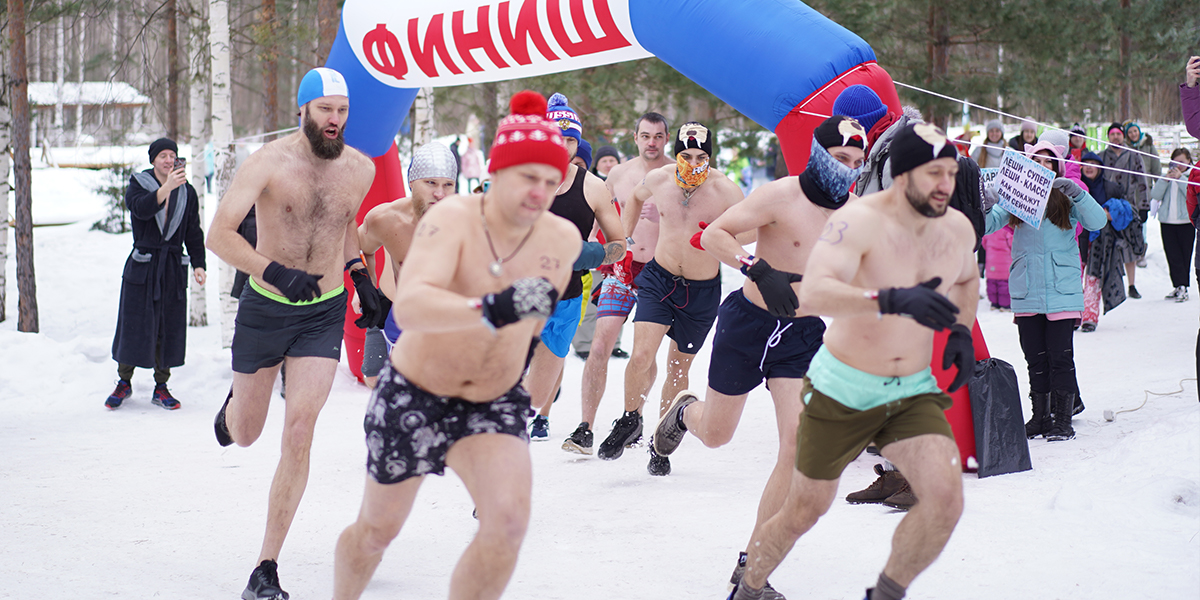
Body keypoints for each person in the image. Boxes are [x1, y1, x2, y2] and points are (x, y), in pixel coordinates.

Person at [332, 90, 579, 600]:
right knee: (377, 531)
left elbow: (531, 330)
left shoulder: (562, 240)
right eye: (526, 177)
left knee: (508, 524)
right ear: (496, 172)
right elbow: (413, 306)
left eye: (551, 181)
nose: (539, 192)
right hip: (417, 393)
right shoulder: (453, 219)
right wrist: (490, 308)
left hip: (491, 402)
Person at [731, 123, 979, 600]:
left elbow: (967, 277)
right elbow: (819, 291)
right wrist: (892, 299)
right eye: (934, 173)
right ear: (902, 175)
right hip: (841, 389)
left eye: (951, 171)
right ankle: (749, 587)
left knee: (946, 499)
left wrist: (962, 330)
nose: (946, 183)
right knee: (805, 510)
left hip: (909, 390)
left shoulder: (956, 227)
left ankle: (885, 593)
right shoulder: (858, 220)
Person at [653, 116, 867, 594]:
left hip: (802, 336)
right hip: (748, 324)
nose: (847, 168)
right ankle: (686, 413)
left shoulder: (856, 213)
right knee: (717, 435)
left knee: (795, 447)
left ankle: (754, 566)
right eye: (840, 157)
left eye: (856, 161)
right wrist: (758, 267)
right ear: (818, 152)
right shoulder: (781, 194)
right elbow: (713, 236)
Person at [205, 67, 384, 600]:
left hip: (322, 312)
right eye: (325, 109)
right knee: (248, 433)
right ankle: (235, 408)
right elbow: (219, 234)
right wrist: (273, 271)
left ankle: (265, 568)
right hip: (266, 305)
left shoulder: (360, 168)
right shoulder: (266, 164)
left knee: (300, 430)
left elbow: (345, 224)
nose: (335, 120)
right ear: (302, 110)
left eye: (342, 111)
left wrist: (359, 278)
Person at [599, 121, 744, 476]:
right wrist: (625, 241)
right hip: (659, 279)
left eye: (700, 157)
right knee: (642, 354)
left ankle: (660, 442)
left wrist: (715, 236)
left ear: (710, 157)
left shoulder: (725, 189)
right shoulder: (661, 179)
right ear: (675, 153)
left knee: (678, 368)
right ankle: (630, 418)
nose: (692, 163)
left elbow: (753, 228)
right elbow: (632, 197)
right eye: (685, 155)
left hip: (701, 290)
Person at [563, 112, 671, 455]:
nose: (651, 142)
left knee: (644, 352)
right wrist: (593, 258)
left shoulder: (674, 174)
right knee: (599, 345)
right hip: (622, 271)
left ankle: (633, 416)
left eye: (658, 136)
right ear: (635, 137)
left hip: (660, 273)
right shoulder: (618, 174)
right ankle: (585, 428)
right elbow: (598, 219)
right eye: (645, 135)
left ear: (666, 139)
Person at [986, 139, 1106, 441]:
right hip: (1027, 291)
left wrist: (1078, 193)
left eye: (1049, 161)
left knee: (1060, 357)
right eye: (1037, 161)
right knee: (1035, 358)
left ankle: (1062, 420)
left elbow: (1097, 222)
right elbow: (987, 225)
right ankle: (1040, 417)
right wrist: (986, 198)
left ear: (1057, 166)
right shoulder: (1016, 200)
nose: (1043, 166)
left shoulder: (1069, 200)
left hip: (1061, 290)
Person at [525, 93, 625, 440]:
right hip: (521, 292)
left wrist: (588, 254)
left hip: (567, 296)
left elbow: (619, 245)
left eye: (570, 139)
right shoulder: (520, 178)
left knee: (537, 397)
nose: (563, 145)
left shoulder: (594, 187)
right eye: (556, 136)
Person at [105, 137, 207, 410]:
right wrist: (166, 189)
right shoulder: (138, 184)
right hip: (143, 265)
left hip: (171, 268)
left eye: (172, 154)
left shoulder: (187, 192)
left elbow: (193, 231)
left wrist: (198, 263)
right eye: (162, 155)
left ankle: (161, 386)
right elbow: (141, 208)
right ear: (153, 160)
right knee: (133, 323)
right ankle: (123, 382)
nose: (168, 159)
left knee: (167, 325)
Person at [357, 142, 459, 386]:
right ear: (411, 183)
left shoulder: (470, 222)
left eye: (448, 185)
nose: (440, 193)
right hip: (394, 307)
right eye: (431, 183)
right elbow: (358, 248)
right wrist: (366, 285)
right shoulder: (386, 220)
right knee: (374, 380)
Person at [1079, 151, 1140, 332]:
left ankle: (1089, 317)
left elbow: (1125, 210)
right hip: (1078, 238)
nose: (1089, 167)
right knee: (1073, 278)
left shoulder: (1111, 187)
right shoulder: (1076, 186)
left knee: (1093, 278)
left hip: (1101, 241)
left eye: (1093, 163)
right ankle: (1073, 315)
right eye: (1086, 163)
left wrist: (1111, 214)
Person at [1101, 121, 1148, 298]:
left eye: (1118, 134)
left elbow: (1142, 181)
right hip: (1107, 209)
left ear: (1123, 136)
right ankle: (1105, 283)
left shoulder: (1134, 156)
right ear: (1108, 136)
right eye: (1112, 134)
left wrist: (1143, 206)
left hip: (1129, 208)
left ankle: (1132, 284)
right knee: (1107, 245)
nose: (1115, 136)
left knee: (1129, 246)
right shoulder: (1102, 156)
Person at [1151, 148, 1196, 302]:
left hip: (1186, 222)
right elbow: (1155, 195)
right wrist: (1165, 180)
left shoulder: (1192, 176)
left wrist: (1180, 179)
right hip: (1167, 222)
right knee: (1172, 255)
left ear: (1189, 161)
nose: (1178, 165)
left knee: (1185, 255)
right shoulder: (1167, 177)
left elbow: (1192, 193)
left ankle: (1184, 286)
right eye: (1175, 162)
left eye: (1181, 162)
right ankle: (1177, 285)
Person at [981, 224, 1013, 310]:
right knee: (1004, 284)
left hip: (991, 260)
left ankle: (994, 303)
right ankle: (1005, 305)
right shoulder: (1006, 229)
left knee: (992, 283)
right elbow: (1012, 244)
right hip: (1004, 262)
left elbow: (983, 243)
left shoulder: (989, 229)